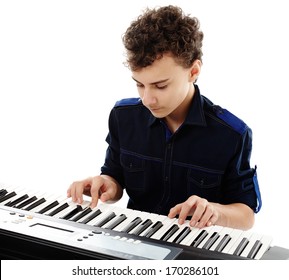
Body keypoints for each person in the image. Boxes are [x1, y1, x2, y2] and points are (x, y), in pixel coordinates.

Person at [67, 5, 261, 230]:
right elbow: (115, 178)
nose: (148, 99)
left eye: (160, 86)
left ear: (193, 71)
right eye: (139, 84)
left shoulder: (232, 134)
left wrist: (215, 211)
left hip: (196, 247)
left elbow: (246, 215)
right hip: (133, 240)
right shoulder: (123, 117)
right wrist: (105, 184)